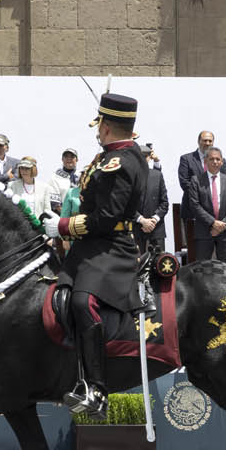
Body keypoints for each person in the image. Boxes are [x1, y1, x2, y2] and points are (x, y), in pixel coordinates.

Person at [54, 93, 148, 418]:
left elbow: (107, 218)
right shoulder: (111, 155)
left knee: (83, 303)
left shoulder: (122, 162)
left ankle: (97, 388)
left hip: (112, 246)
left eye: (99, 126)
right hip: (93, 245)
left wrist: (64, 226)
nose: (98, 131)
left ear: (106, 127)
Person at [188, 147, 226, 263]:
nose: (215, 162)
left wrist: (223, 225)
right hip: (204, 232)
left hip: (225, 232)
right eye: (211, 159)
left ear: (222, 162)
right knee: (203, 270)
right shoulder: (196, 180)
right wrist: (213, 223)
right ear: (205, 161)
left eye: (217, 159)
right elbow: (195, 205)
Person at [177, 130, 222, 248]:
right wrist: (205, 196)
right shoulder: (186, 159)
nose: (207, 143)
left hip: (216, 216)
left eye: (210, 141)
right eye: (204, 140)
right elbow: (184, 183)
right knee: (195, 251)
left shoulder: (220, 161)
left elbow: (225, 183)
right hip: (193, 212)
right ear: (198, 142)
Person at [136, 143, 170, 255]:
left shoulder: (157, 175)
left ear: (149, 158)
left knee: (159, 265)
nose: (143, 159)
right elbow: (126, 204)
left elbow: (164, 203)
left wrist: (153, 220)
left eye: (145, 156)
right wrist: (142, 221)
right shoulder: (129, 177)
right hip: (136, 228)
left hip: (156, 229)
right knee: (136, 266)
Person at [49, 148, 79, 213]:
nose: (69, 159)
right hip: (62, 215)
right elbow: (55, 204)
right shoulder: (55, 177)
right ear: (62, 159)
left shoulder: (82, 176)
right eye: (66, 157)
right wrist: (66, 216)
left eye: (72, 157)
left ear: (77, 159)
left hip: (80, 215)